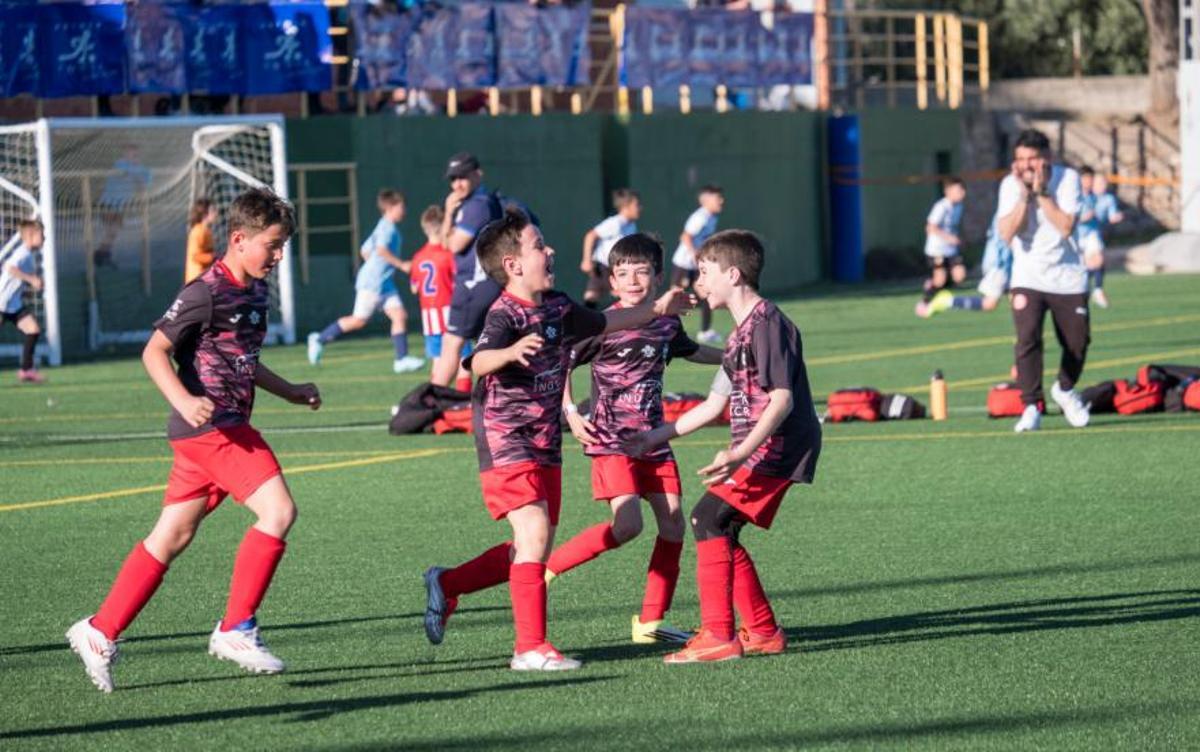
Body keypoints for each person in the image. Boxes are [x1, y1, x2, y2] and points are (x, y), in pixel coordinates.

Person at [66, 189, 321, 694]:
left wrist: (289, 391)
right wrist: (184, 401)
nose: (278, 255)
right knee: (278, 512)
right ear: (239, 239)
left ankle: (99, 630)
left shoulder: (254, 291)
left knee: (171, 537)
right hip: (211, 429)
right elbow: (154, 352)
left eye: (284, 245)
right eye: (272, 244)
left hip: (215, 429)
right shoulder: (204, 291)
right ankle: (235, 628)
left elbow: (244, 360)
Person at [420, 209, 693, 671]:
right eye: (539, 245)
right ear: (514, 265)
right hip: (506, 440)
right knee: (534, 535)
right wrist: (507, 352)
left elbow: (608, 323)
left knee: (530, 547)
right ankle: (530, 648)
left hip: (545, 443)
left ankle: (447, 584)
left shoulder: (559, 306)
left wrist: (658, 309)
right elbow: (478, 361)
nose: (551, 251)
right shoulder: (505, 313)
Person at [628, 229, 821, 664]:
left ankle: (719, 634)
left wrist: (739, 452)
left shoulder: (768, 324)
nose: (699, 283)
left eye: (705, 273)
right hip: (760, 447)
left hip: (779, 446)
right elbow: (713, 404)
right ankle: (763, 631)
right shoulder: (737, 337)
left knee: (706, 517)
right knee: (719, 524)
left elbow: (782, 400)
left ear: (733, 274)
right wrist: (652, 437)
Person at [551, 233, 723, 644]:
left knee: (675, 524)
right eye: (622, 274)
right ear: (611, 283)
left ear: (658, 278)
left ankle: (649, 623)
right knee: (628, 525)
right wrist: (571, 412)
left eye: (641, 272)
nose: (631, 281)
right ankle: (544, 570)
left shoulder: (667, 322)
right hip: (610, 439)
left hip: (652, 440)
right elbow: (560, 363)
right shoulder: (604, 324)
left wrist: (739, 352)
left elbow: (692, 350)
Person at [997, 128, 1090, 433]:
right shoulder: (1010, 186)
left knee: (1077, 342)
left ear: (1046, 159)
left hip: (1068, 277)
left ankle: (1064, 389)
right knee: (1027, 340)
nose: (1026, 166)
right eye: (1020, 160)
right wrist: (1025, 197)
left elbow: (1065, 227)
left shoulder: (1068, 179)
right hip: (1028, 276)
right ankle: (1030, 406)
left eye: (1032, 159)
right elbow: (1007, 233)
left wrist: (1042, 193)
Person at [307, 189, 424, 374]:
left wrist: (376, 265)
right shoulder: (387, 228)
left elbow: (365, 250)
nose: (404, 210)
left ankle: (401, 360)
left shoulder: (383, 225)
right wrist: (401, 265)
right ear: (390, 207)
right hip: (373, 283)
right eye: (401, 206)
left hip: (384, 283)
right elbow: (381, 249)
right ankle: (319, 339)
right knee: (358, 321)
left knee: (399, 315)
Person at [429, 152, 504, 387]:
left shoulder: (477, 206)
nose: (457, 184)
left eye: (463, 177)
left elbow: (452, 244)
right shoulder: (474, 203)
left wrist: (449, 213)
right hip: (485, 283)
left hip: (474, 285)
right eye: (453, 179)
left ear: (477, 175)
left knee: (452, 343)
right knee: (489, 344)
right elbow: (444, 242)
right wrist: (450, 213)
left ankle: (432, 399)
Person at [409, 205, 470, 390]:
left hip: (430, 319)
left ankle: (434, 405)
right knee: (464, 361)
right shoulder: (448, 255)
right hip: (453, 316)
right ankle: (463, 405)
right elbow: (459, 282)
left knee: (438, 363)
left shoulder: (418, 257)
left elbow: (414, 288)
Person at [923, 213, 1012, 315]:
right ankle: (947, 301)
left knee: (1019, 298)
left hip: (1006, 262)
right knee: (990, 303)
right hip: (1001, 264)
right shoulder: (1009, 208)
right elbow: (930, 226)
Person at [671, 185, 725, 344]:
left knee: (706, 295)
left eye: (722, 197)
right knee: (674, 298)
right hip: (683, 264)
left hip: (695, 265)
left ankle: (705, 332)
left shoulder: (712, 217)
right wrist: (696, 255)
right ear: (705, 200)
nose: (722, 200)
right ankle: (669, 332)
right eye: (718, 198)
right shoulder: (700, 217)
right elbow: (685, 237)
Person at [0, 219, 47, 383]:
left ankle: (26, 370)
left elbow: (18, 281)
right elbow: (9, 268)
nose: (44, 238)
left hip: (13, 305)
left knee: (33, 330)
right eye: (41, 234)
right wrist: (32, 280)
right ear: (30, 235)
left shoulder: (29, 255)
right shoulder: (22, 253)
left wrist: (32, 285)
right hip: (1, 303)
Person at [914, 176, 967, 318]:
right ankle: (924, 303)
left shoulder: (959, 206)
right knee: (940, 280)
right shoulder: (941, 206)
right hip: (936, 250)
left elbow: (953, 227)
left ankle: (934, 288)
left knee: (960, 276)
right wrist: (949, 238)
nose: (963, 193)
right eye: (959, 190)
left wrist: (959, 239)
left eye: (963, 190)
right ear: (948, 191)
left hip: (951, 250)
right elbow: (930, 227)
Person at [580, 189, 641, 309]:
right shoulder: (615, 223)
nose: (640, 208)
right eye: (637, 205)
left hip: (615, 267)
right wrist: (586, 260)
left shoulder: (631, 225)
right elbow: (590, 236)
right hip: (602, 265)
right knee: (596, 293)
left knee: (595, 293)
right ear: (626, 206)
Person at [1075, 167, 1124, 309]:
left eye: (1103, 183)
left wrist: (1115, 217)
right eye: (1098, 182)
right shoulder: (1078, 195)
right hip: (1077, 234)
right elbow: (1070, 217)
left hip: (1092, 233)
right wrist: (1083, 218)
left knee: (1098, 260)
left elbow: (1110, 215)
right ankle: (1084, 289)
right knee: (1084, 265)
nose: (1101, 185)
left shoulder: (1104, 198)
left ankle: (1097, 289)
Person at [185, 198, 218, 284]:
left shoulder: (206, 230)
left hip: (204, 279)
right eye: (213, 210)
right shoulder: (198, 231)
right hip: (196, 281)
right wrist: (213, 257)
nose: (216, 213)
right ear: (205, 214)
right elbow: (195, 256)